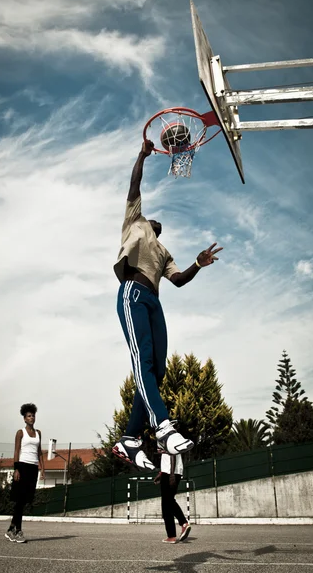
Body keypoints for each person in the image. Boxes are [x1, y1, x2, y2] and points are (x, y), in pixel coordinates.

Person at [112, 139, 223, 470]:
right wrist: (142, 155)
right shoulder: (135, 220)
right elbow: (135, 183)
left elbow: (178, 280)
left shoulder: (163, 251)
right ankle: (162, 426)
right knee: (142, 361)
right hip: (133, 292)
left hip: (154, 302)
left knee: (157, 370)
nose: (156, 223)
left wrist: (198, 264)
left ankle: (130, 439)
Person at [5, 403, 45, 543]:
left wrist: (43, 468)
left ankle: (11, 529)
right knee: (19, 499)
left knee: (25, 500)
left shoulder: (38, 433)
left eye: (33, 415)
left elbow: (39, 452)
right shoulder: (20, 432)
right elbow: (16, 451)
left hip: (33, 468)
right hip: (22, 466)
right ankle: (18, 531)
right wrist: (16, 469)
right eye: (29, 416)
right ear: (24, 418)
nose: (31, 418)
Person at [154, 450, 191, 544]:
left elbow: (172, 454)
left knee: (168, 501)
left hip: (170, 472)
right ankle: (171, 536)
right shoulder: (171, 437)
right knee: (166, 504)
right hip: (170, 471)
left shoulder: (168, 436)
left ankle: (183, 523)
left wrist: (171, 475)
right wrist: (161, 473)